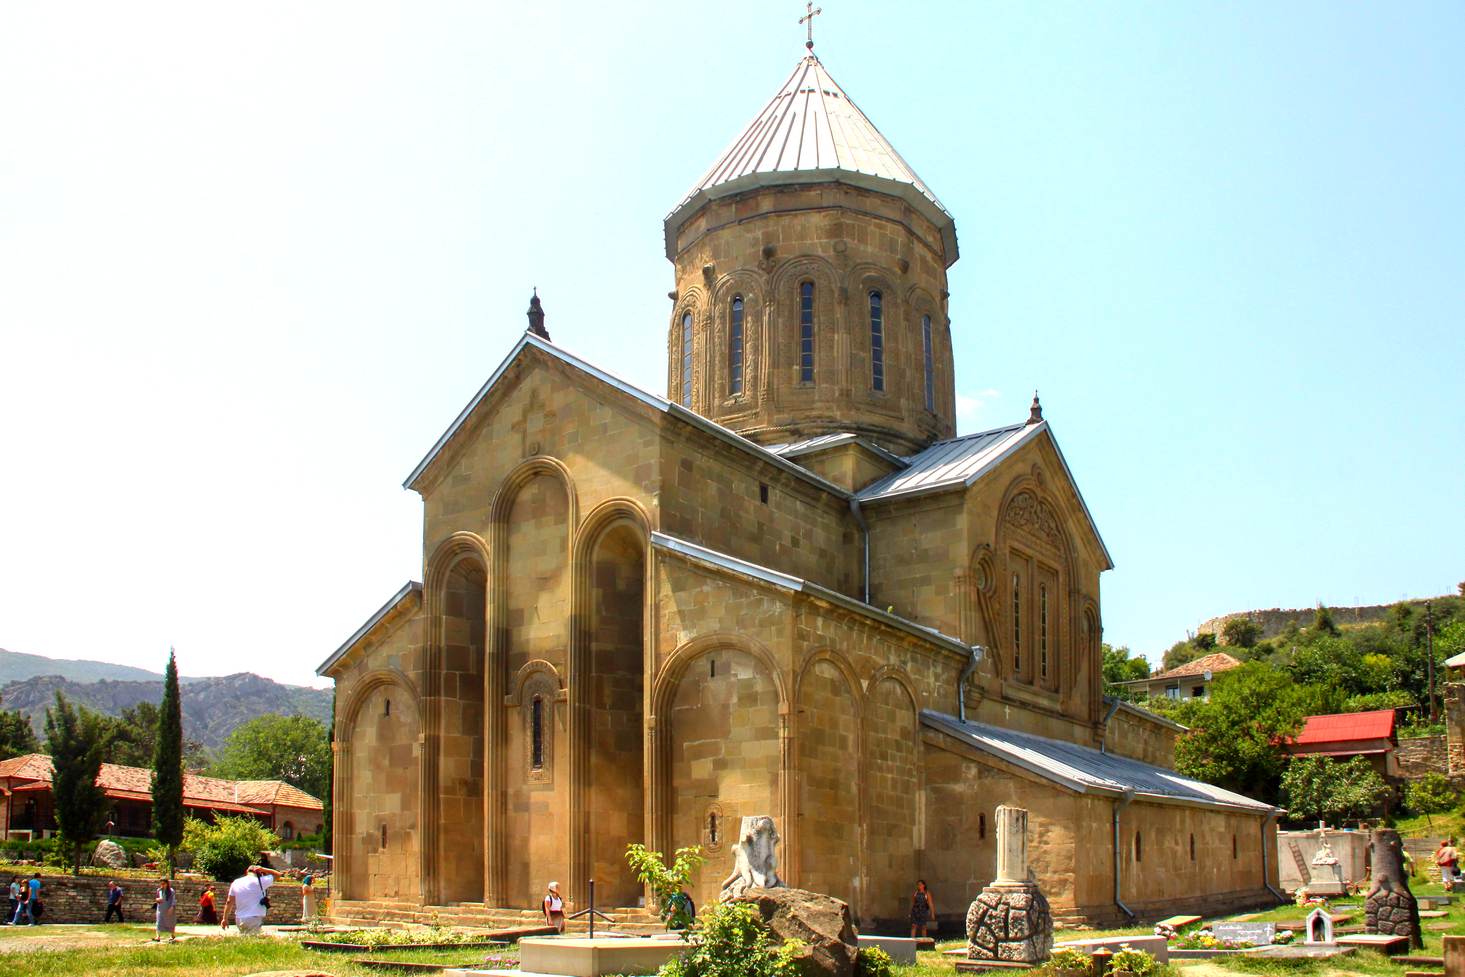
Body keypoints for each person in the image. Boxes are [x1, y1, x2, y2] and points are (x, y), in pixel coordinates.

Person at [220, 864, 283, 934]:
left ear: (246, 871)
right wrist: (263, 869)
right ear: (259, 872)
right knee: (255, 942)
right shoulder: (261, 881)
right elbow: (278, 875)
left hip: (239, 918)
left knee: (245, 940)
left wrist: (224, 918)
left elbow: (229, 902)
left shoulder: (236, 882)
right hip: (253, 918)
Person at [153, 877, 177, 941]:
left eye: (163, 884)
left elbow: (173, 900)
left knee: (170, 922)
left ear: (167, 884)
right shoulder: (159, 890)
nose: (162, 885)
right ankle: (158, 937)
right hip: (160, 909)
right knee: (159, 922)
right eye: (161, 884)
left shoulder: (171, 891)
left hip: (169, 908)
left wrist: (172, 907)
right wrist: (157, 899)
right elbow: (156, 898)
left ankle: (172, 935)